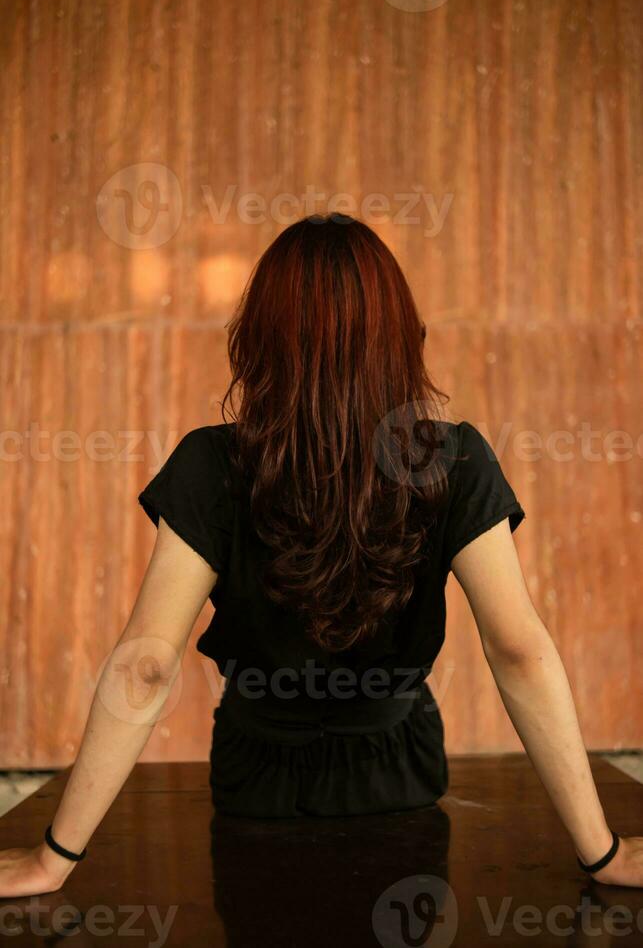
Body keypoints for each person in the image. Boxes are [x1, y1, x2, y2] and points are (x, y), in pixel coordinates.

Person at [0, 214, 641, 897]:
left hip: (255, 779)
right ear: (400, 338)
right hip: (401, 773)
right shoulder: (450, 458)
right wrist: (601, 855)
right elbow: (518, 649)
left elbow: (147, 663)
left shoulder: (210, 463)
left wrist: (54, 859)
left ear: (260, 338)